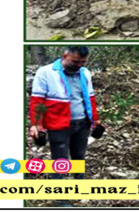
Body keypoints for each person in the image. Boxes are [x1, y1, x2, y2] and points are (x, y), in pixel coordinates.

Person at [29, 46, 100, 179]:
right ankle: (60, 197)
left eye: (82, 62)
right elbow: (38, 100)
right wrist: (36, 124)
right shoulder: (46, 72)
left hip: (82, 123)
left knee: (79, 156)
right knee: (60, 160)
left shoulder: (85, 72)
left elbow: (90, 98)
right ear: (64, 56)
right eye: (75, 62)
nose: (78, 65)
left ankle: (79, 186)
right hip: (58, 124)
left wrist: (95, 120)